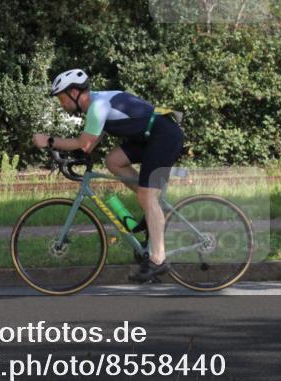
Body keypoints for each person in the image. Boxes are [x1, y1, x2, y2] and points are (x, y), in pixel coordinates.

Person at [32, 68, 185, 283]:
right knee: (113, 161)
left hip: (163, 136)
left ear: (75, 92)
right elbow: (89, 145)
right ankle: (152, 205)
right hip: (150, 136)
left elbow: (84, 143)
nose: (61, 104)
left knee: (146, 197)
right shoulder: (96, 104)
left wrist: (49, 141)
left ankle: (158, 260)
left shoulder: (98, 107)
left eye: (61, 98)